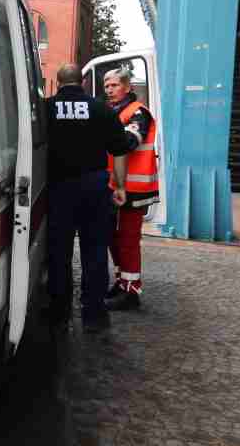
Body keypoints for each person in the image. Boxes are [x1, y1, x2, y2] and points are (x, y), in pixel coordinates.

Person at [46, 63, 139, 333]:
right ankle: (94, 314)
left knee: (58, 253)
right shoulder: (101, 109)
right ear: (83, 82)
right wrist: (120, 187)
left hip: (58, 188)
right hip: (95, 188)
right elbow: (120, 150)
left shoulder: (46, 108)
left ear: (58, 81)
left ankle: (59, 312)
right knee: (95, 251)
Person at [102, 67, 159, 311]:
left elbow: (128, 143)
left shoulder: (138, 113)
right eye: (106, 86)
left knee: (128, 238)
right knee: (112, 236)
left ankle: (131, 291)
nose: (109, 90)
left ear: (127, 87)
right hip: (115, 185)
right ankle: (122, 280)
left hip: (135, 188)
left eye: (114, 85)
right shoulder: (114, 111)